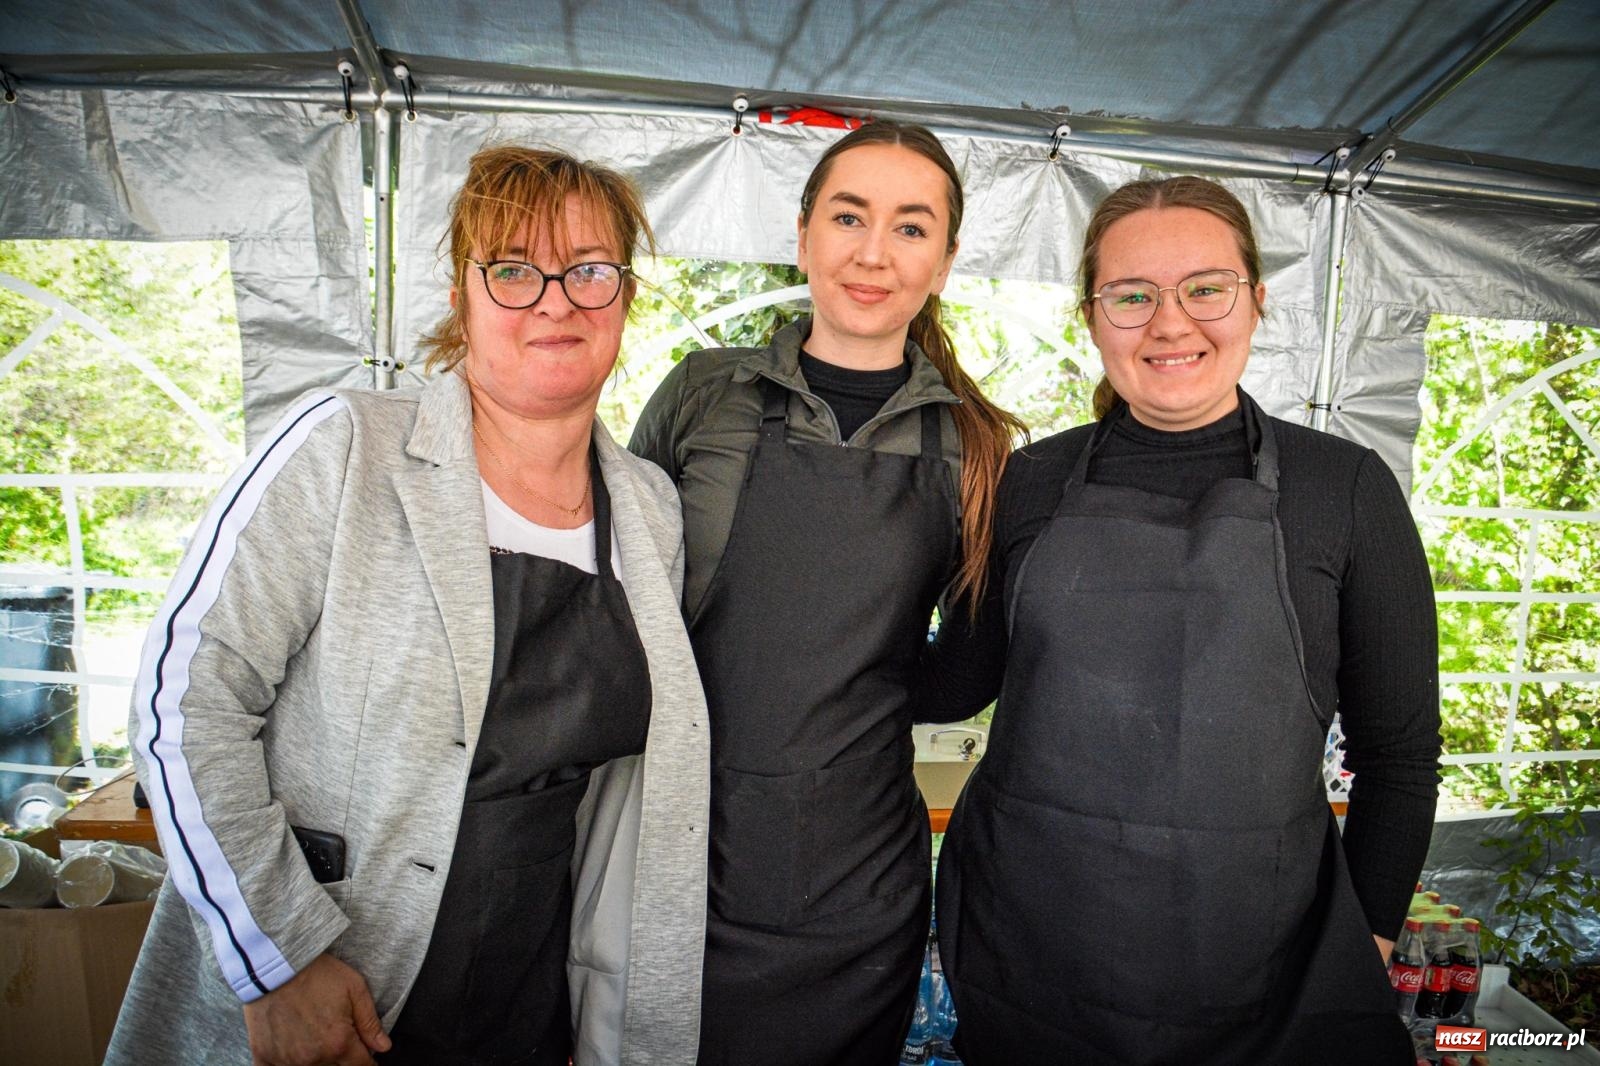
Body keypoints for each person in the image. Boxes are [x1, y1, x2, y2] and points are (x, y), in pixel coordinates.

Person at [107, 145, 709, 1066]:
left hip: (526, 999)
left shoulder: (651, 510)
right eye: (513, 270)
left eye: (589, 270)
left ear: (625, 294)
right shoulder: (344, 447)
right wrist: (278, 959)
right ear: (463, 293)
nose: (555, 300)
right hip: (332, 989)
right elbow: (182, 707)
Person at [927, 176, 1441, 1064]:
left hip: (1263, 977)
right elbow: (956, 681)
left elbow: (1399, 753)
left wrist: (1371, 942)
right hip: (1032, 952)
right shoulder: (1028, 481)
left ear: (1256, 301)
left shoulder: (1344, 489)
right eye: (1132, 296)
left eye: (1206, 288)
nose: (1171, 324)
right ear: (1092, 316)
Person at [629, 121, 1024, 1065]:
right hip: (676, 855)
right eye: (849, 217)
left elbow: (963, 676)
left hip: (858, 887)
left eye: (911, 227)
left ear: (947, 257)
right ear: (804, 232)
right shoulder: (701, 394)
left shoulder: (976, 447)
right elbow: (620, 601)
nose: (873, 253)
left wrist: (842, 716)